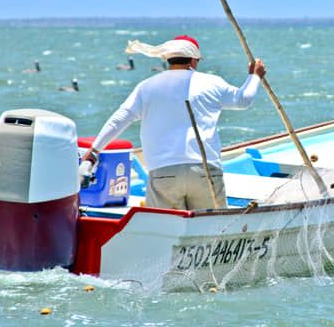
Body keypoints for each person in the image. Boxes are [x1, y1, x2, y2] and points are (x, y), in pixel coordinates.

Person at [81, 35, 266, 210]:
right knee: (212, 230)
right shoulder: (212, 82)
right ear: (195, 60)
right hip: (205, 171)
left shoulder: (147, 86)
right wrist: (254, 76)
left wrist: (94, 151)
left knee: (163, 226)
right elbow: (243, 100)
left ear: (168, 59)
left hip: (164, 174)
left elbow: (119, 119)